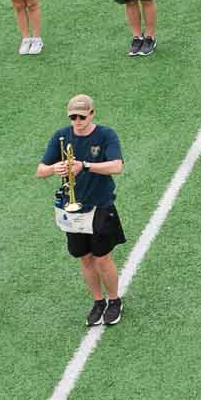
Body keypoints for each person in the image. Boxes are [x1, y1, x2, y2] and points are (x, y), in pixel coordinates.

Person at [39, 94, 127, 328]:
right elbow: (40, 170)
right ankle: (98, 301)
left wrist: (85, 165)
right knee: (85, 259)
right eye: (72, 117)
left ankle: (114, 300)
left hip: (99, 206)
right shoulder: (61, 135)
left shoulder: (106, 135)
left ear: (92, 114)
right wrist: (55, 168)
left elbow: (117, 166)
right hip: (72, 207)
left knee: (102, 258)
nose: (77, 121)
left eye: (81, 116)